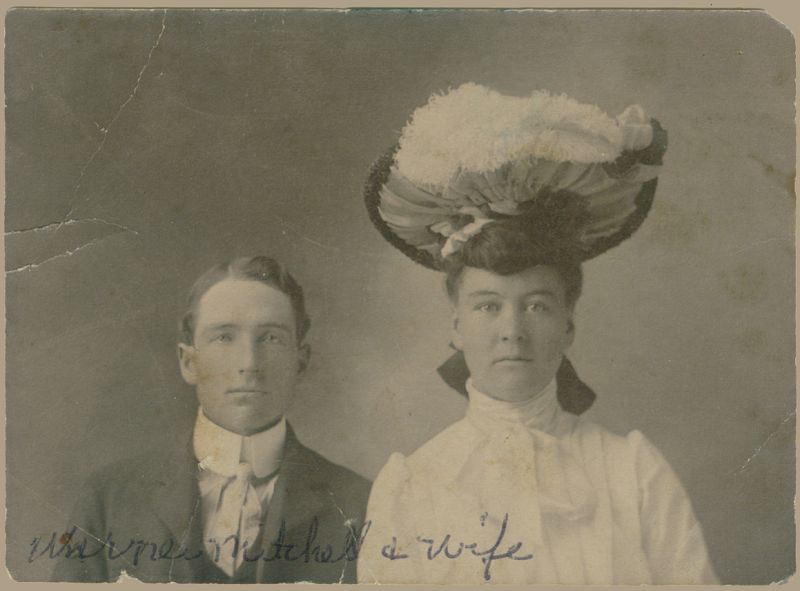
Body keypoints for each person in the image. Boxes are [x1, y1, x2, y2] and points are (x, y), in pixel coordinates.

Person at [357, 83, 718, 584]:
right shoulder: (411, 485)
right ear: (457, 326)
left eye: (536, 306)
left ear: (568, 325)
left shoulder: (633, 472)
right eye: (488, 306)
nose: (512, 331)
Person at [50, 256, 371, 583]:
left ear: (300, 362)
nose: (249, 363)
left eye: (271, 338)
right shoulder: (109, 498)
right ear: (189, 362)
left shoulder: (360, 504)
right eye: (224, 337)